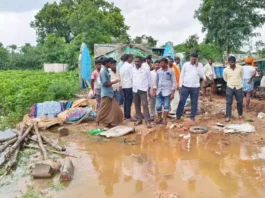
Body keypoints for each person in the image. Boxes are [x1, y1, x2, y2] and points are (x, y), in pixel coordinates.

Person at [176, 53, 204, 121]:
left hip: (195, 87)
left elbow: (201, 75)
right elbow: (182, 75)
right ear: (190, 58)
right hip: (185, 86)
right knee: (182, 101)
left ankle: (192, 116)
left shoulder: (200, 65)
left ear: (197, 59)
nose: (193, 60)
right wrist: (180, 85)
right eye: (192, 59)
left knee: (194, 102)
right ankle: (178, 115)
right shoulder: (185, 65)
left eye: (195, 59)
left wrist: (197, 67)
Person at [96, 58, 123, 126]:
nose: (111, 65)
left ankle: (109, 122)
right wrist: (114, 82)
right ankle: (98, 120)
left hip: (110, 93)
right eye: (110, 63)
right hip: (106, 94)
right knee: (104, 109)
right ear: (106, 63)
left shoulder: (106, 70)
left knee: (115, 109)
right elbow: (105, 83)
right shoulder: (103, 71)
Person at [153, 58, 176, 125]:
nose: (161, 64)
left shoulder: (171, 71)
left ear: (166, 63)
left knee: (166, 106)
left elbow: (174, 82)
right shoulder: (158, 71)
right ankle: (159, 118)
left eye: (162, 63)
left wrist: (172, 92)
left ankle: (164, 119)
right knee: (158, 106)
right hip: (159, 91)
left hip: (167, 91)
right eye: (160, 63)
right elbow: (156, 81)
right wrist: (154, 91)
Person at [132, 56, 152, 128]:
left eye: (138, 61)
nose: (136, 63)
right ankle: (139, 119)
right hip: (135, 89)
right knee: (137, 105)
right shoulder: (133, 69)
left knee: (145, 105)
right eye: (135, 61)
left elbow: (150, 80)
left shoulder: (146, 69)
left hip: (143, 89)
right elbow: (132, 79)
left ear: (141, 62)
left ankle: (147, 121)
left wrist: (149, 89)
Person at [223, 56, 243, 122]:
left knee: (240, 101)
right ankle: (228, 116)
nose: (232, 64)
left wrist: (237, 82)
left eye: (233, 62)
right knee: (228, 102)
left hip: (239, 87)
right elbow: (225, 79)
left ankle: (240, 114)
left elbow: (241, 76)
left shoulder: (240, 68)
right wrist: (231, 83)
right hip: (230, 87)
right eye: (230, 62)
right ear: (228, 62)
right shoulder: (225, 70)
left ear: (235, 62)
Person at [119, 54, 136, 121]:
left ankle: (126, 115)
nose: (132, 59)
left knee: (126, 101)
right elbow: (133, 76)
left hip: (124, 86)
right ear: (128, 58)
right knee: (128, 101)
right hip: (129, 85)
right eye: (132, 58)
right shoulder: (130, 66)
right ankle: (128, 116)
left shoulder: (122, 66)